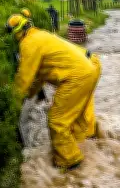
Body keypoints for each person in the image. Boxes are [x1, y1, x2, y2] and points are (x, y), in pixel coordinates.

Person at [7, 10, 101, 170]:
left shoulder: (28, 44)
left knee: (57, 120)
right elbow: (38, 77)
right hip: (89, 69)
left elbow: (25, 77)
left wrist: (12, 100)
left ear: (15, 32)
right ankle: (92, 143)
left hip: (76, 77)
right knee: (78, 116)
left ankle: (71, 162)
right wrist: (30, 94)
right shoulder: (40, 35)